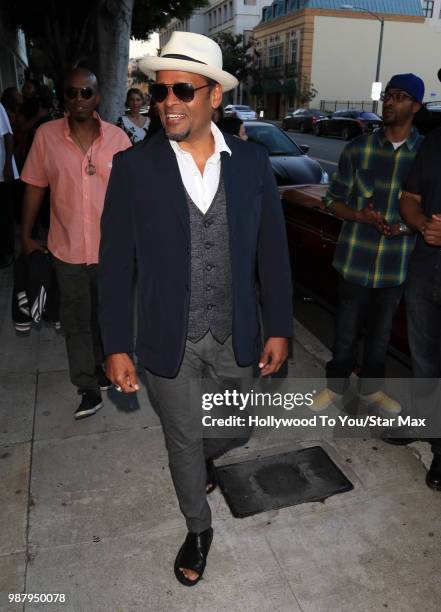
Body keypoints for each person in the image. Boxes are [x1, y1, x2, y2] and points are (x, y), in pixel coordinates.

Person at [98, 32, 293, 586]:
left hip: (236, 332)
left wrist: (278, 326)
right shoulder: (134, 168)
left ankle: (204, 457)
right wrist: (115, 344)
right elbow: (115, 266)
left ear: (213, 96)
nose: (169, 104)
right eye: (161, 93)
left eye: (183, 90)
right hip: (168, 339)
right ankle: (198, 528)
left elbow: (272, 255)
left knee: (239, 424)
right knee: (181, 437)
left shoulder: (253, 164)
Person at [20, 68, 131, 420]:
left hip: (111, 250)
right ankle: (86, 386)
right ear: (63, 97)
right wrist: (25, 235)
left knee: (106, 317)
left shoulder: (118, 139)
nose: (79, 99)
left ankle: (103, 367)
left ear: (98, 97)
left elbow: (135, 195)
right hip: (65, 248)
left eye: (87, 93)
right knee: (76, 320)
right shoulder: (46, 136)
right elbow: (35, 185)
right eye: (72, 93)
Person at [313, 74, 424, 413]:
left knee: (380, 337)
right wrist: (360, 215)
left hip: (397, 265)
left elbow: (431, 212)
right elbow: (331, 201)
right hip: (354, 262)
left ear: (416, 107)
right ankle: (336, 387)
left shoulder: (424, 156)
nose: (390, 102)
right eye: (388, 95)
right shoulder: (358, 149)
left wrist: (405, 228)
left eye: (401, 97)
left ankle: (372, 391)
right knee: (345, 333)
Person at [397, 119, 441, 490]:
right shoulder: (434, 143)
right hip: (426, 271)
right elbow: (408, 199)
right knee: (424, 362)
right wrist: (422, 223)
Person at [0, 102, 19, 268]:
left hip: (2, 173)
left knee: (4, 214)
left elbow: (8, 136)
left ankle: (8, 252)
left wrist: (7, 165)